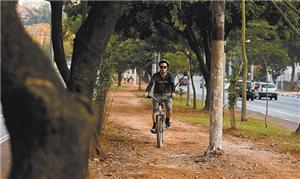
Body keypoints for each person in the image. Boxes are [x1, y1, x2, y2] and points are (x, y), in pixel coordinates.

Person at [144, 59, 176, 134]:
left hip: (167, 94)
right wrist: (146, 92)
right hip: (157, 94)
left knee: (169, 108)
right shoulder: (155, 75)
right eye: (161, 67)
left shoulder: (170, 75)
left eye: (164, 67)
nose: (163, 68)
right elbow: (151, 83)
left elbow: (172, 84)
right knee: (155, 110)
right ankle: (154, 125)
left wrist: (173, 92)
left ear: (167, 68)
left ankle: (167, 121)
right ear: (159, 67)